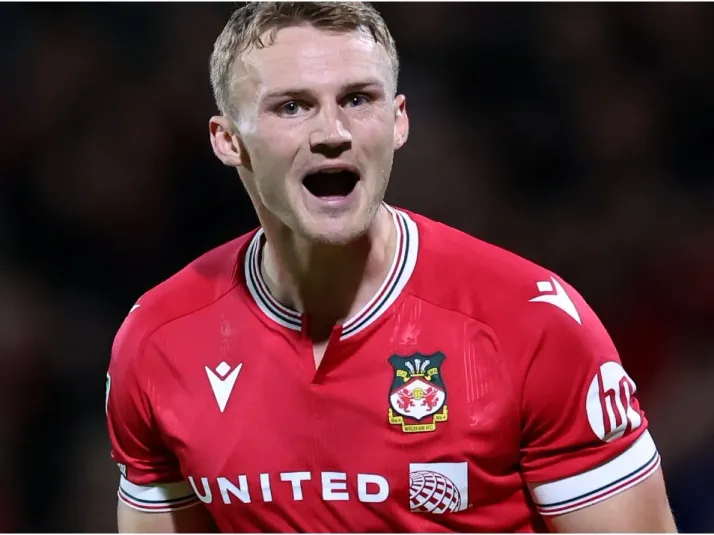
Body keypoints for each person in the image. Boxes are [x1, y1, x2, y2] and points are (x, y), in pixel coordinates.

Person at [105, 2, 677, 532]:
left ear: (399, 121)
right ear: (228, 140)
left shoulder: (531, 326)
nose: (333, 134)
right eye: (292, 106)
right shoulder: (158, 340)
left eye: (358, 100)